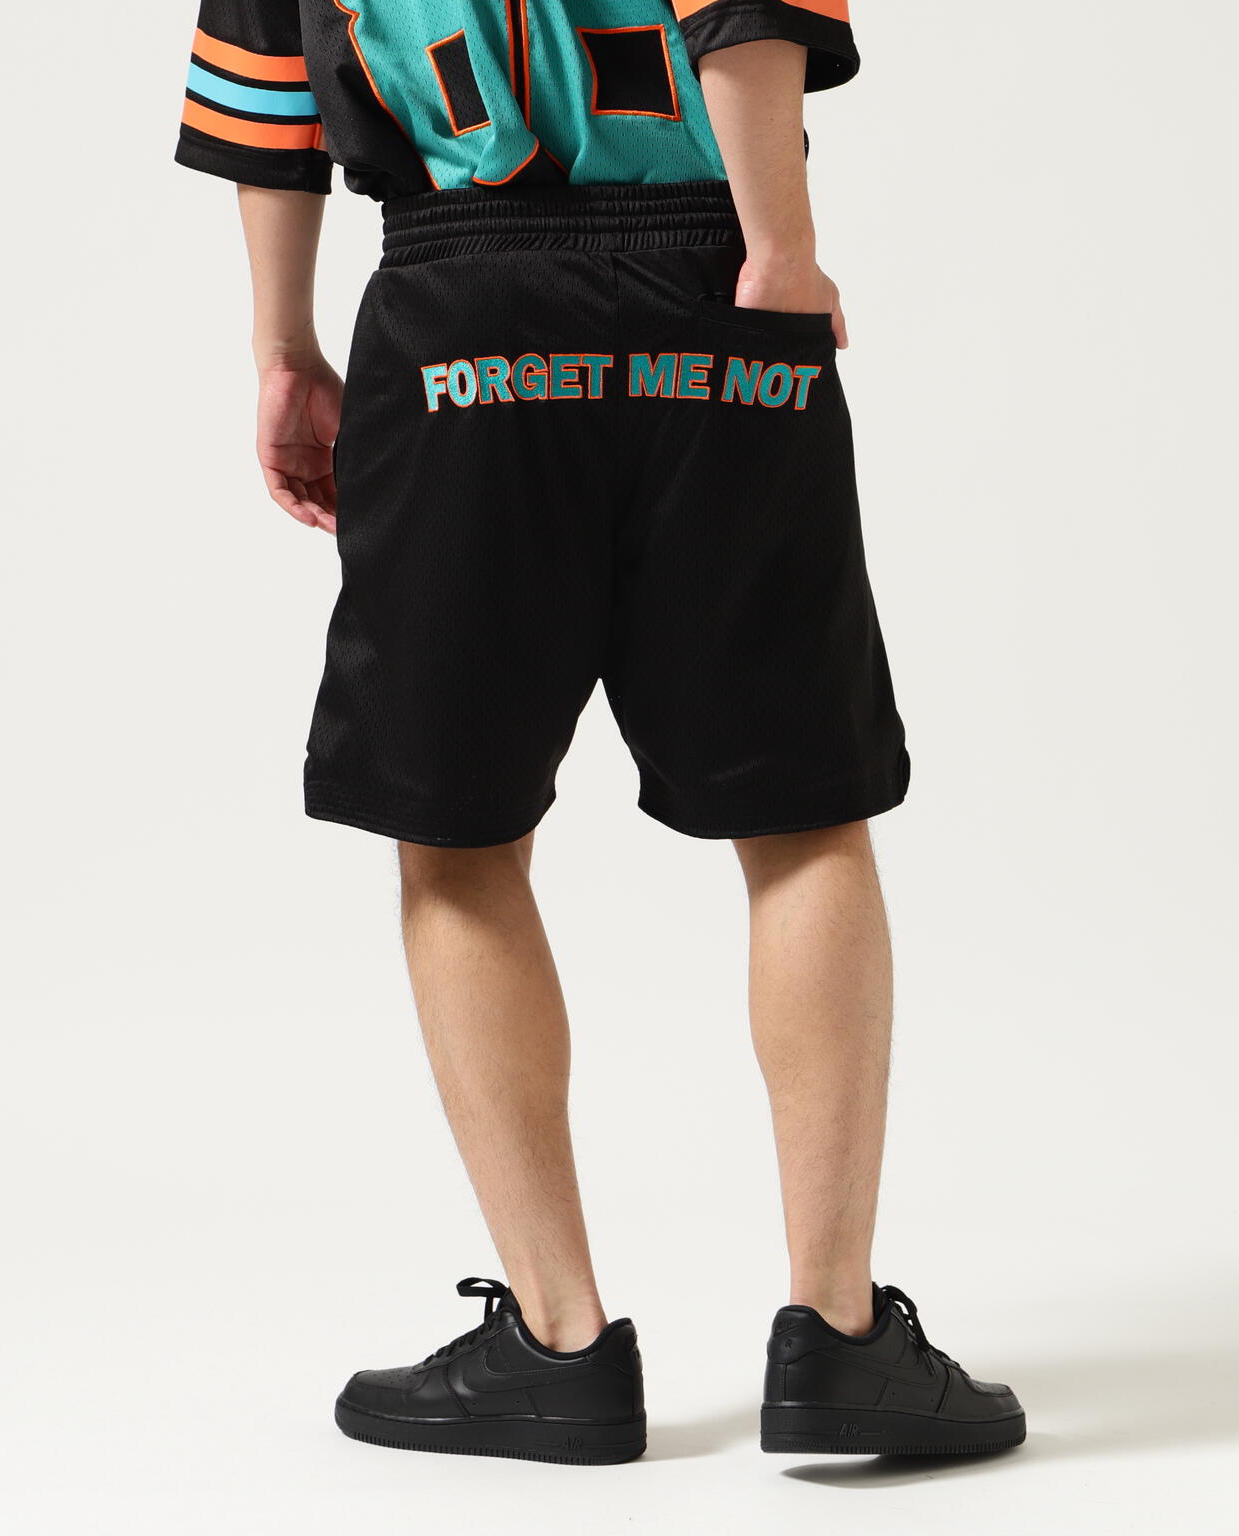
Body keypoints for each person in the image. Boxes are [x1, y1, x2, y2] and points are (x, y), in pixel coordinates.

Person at [176, 0, 1024, 1465]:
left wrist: (282, 345)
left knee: (456, 830)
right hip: (715, 286)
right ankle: (838, 1337)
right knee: (800, 810)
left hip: (458, 319)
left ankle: (557, 1346)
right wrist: (778, 245)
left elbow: (263, 83)